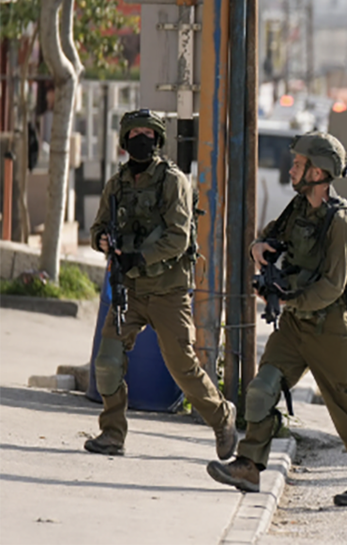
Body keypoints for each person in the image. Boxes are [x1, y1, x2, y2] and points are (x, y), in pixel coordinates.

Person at [207, 131, 347, 506]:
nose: (291, 169)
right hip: (294, 326)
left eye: (298, 164)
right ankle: (249, 466)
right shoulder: (298, 208)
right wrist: (259, 249)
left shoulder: (341, 224)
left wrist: (291, 300)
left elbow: (333, 287)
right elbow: (269, 239)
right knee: (260, 390)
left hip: (331, 330)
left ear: (318, 172)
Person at [85, 109, 238, 461]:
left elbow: (178, 238)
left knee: (182, 367)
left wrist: (138, 257)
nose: (143, 139)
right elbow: (97, 228)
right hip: (131, 292)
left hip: (168, 292)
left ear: (158, 139)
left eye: (149, 133)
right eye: (136, 133)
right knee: (107, 362)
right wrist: (104, 242)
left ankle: (221, 416)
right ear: (125, 140)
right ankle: (112, 433)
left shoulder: (173, 181)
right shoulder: (117, 184)